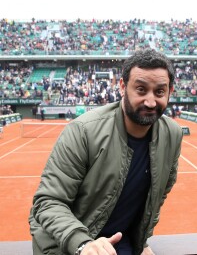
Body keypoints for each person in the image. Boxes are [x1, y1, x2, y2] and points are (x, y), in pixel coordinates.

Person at [29, 49, 183, 255]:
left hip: (121, 243)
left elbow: (158, 195)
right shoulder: (83, 131)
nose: (150, 101)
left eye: (159, 92)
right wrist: (83, 243)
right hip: (67, 246)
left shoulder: (172, 134)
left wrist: (142, 241)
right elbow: (48, 202)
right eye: (140, 89)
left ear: (170, 92)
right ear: (122, 87)